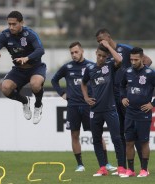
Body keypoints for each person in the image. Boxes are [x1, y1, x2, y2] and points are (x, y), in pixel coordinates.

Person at [51, 41, 116, 172]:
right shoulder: (67, 67)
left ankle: (106, 164)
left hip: (89, 105)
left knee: (97, 135)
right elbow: (54, 80)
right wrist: (62, 93)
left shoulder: (91, 66)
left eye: (76, 52)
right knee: (74, 135)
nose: (74, 55)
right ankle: (80, 164)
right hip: (73, 106)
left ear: (82, 51)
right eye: (72, 53)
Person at [95, 28, 152, 172]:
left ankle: (143, 167)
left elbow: (148, 61)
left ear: (108, 37)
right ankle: (123, 167)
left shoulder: (125, 49)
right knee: (119, 132)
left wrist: (137, 80)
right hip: (115, 96)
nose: (100, 43)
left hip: (129, 96)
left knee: (135, 133)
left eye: (101, 39)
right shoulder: (106, 56)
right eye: (98, 41)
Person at [0, 10, 46, 124]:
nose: (11, 27)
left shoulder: (30, 34)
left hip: (35, 68)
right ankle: (25, 101)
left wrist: (27, 58)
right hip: (19, 70)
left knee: (35, 84)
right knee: (5, 88)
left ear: (21, 23)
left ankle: (38, 105)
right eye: (9, 24)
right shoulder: (4, 35)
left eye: (14, 24)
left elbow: (40, 50)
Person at [81, 43, 125, 177]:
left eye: (104, 56)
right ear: (95, 53)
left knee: (116, 138)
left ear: (107, 57)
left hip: (110, 109)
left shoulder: (110, 66)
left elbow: (120, 60)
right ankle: (102, 167)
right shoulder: (90, 69)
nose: (101, 58)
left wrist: (108, 46)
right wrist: (86, 97)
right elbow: (83, 83)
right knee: (96, 139)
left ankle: (122, 167)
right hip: (95, 110)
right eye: (99, 55)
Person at [119, 47, 155, 178]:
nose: (133, 62)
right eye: (131, 59)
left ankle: (144, 170)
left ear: (142, 58)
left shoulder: (150, 73)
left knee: (144, 142)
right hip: (129, 113)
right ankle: (130, 170)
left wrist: (152, 104)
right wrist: (123, 97)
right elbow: (121, 86)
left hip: (143, 114)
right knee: (129, 142)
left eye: (136, 59)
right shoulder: (127, 72)